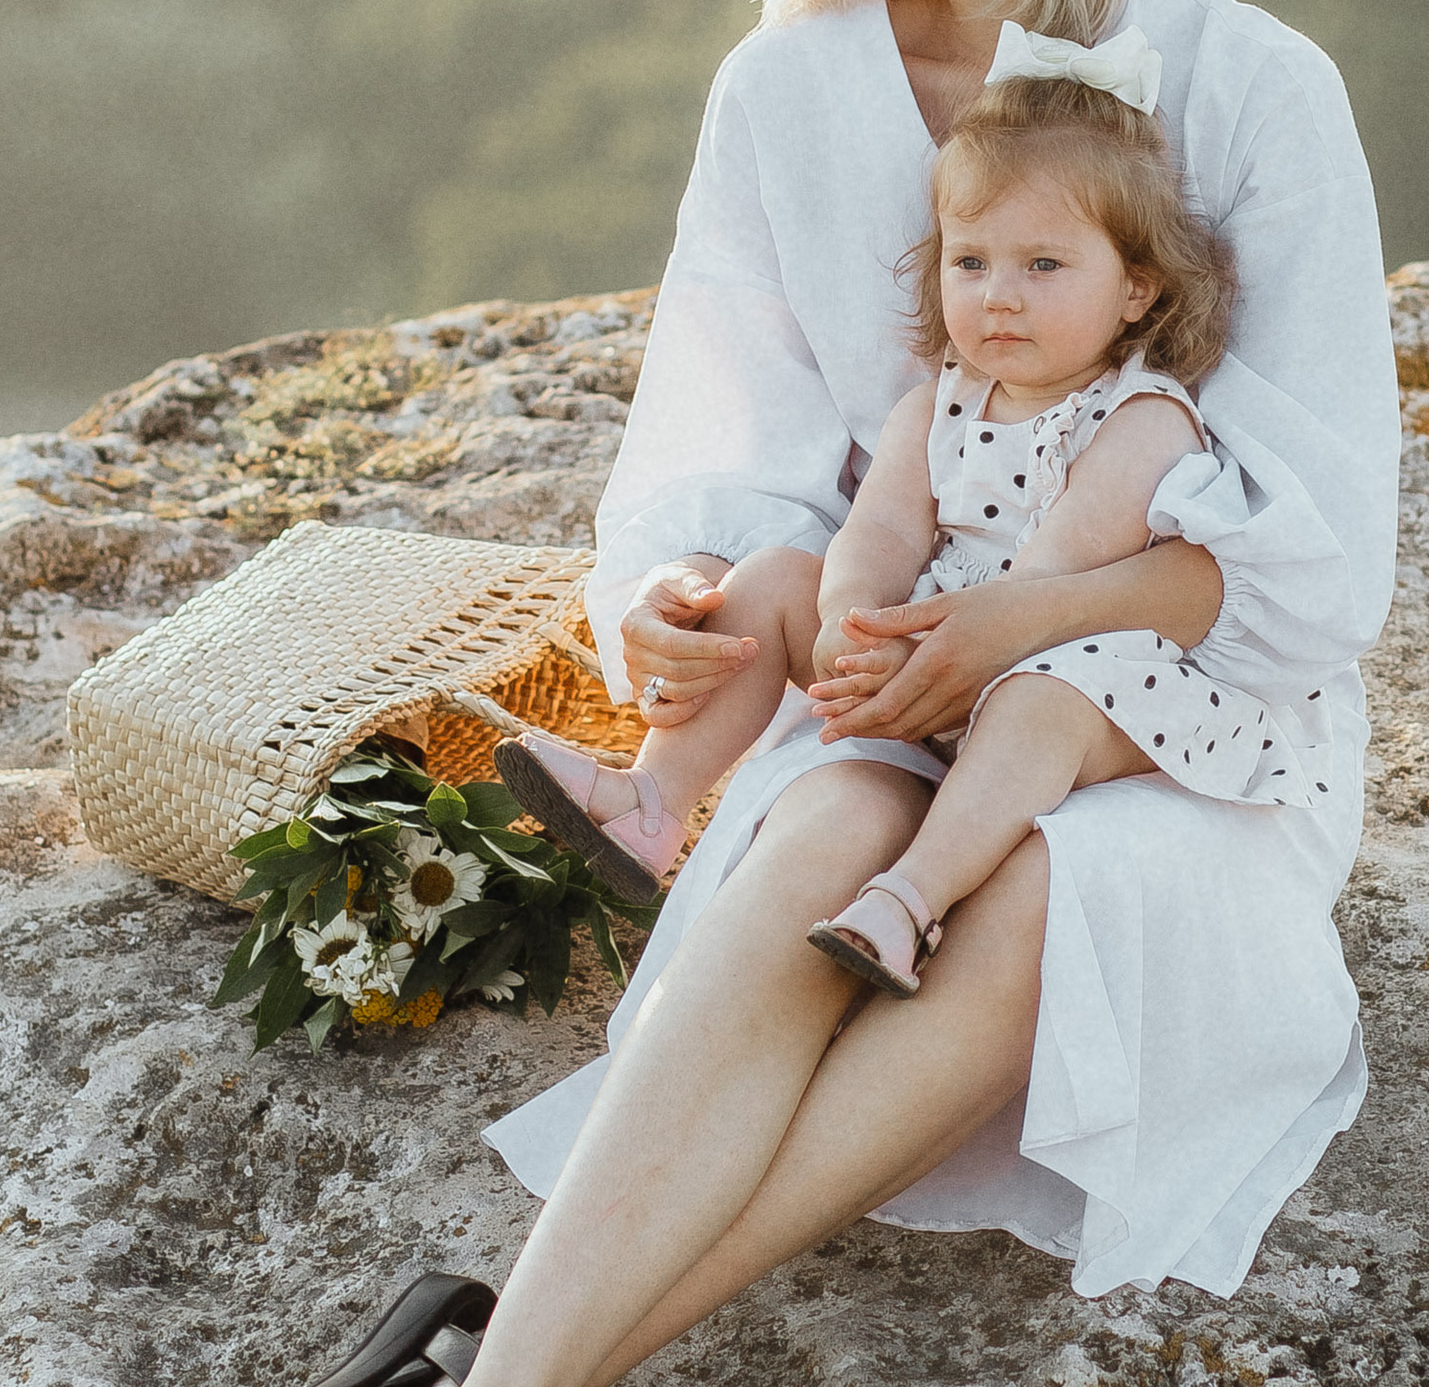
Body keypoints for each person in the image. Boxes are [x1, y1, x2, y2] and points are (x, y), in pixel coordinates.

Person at [258, 0, 1401, 1387]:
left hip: (1171, 716)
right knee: (789, 873)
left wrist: (1022, 613)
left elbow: (1312, 550)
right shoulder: (783, 93)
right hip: (883, 679)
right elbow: (746, 437)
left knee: (1048, 910)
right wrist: (728, 592)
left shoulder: (1245, 89)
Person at [503, 56, 1303, 1003]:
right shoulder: (938, 407)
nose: (1000, 294)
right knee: (769, 580)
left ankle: (906, 903)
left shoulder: (1141, 418)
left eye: (1044, 265)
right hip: (932, 651)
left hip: (1060, 664)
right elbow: (878, 534)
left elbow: (1050, 578)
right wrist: (850, 618)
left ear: (1135, 286)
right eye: (972, 262)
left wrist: (937, 651)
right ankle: (651, 799)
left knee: (1041, 702)